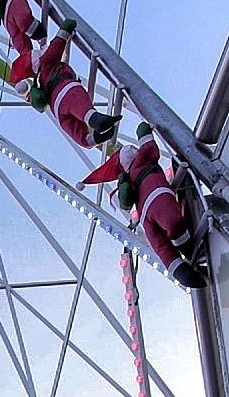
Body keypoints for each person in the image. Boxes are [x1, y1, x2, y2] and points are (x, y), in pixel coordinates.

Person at [84, 123, 207, 289]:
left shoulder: (128, 178)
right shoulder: (141, 162)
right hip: (156, 199)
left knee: (162, 246)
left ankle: (182, 269)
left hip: (147, 213)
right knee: (171, 226)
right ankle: (190, 253)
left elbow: (125, 202)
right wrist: (144, 131)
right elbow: (149, 145)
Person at [32, 20, 120, 149]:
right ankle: (96, 119)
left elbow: (81, 139)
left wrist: (95, 139)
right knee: (84, 110)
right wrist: (66, 29)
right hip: (67, 88)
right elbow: (57, 46)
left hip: (59, 109)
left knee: (80, 131)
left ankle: (97, 131)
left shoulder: (52, 106)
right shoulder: (46, 65)